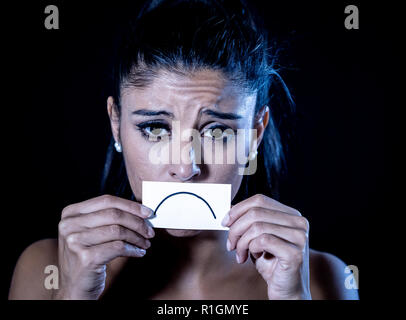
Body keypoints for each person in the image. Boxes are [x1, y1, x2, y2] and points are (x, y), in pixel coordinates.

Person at [8, 0, 359, 300]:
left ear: (254, 135)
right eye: (155, 128)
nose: (185, 166)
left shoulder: (323, 279)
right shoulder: (43, 269)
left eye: (218, 131)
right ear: (116, 124)